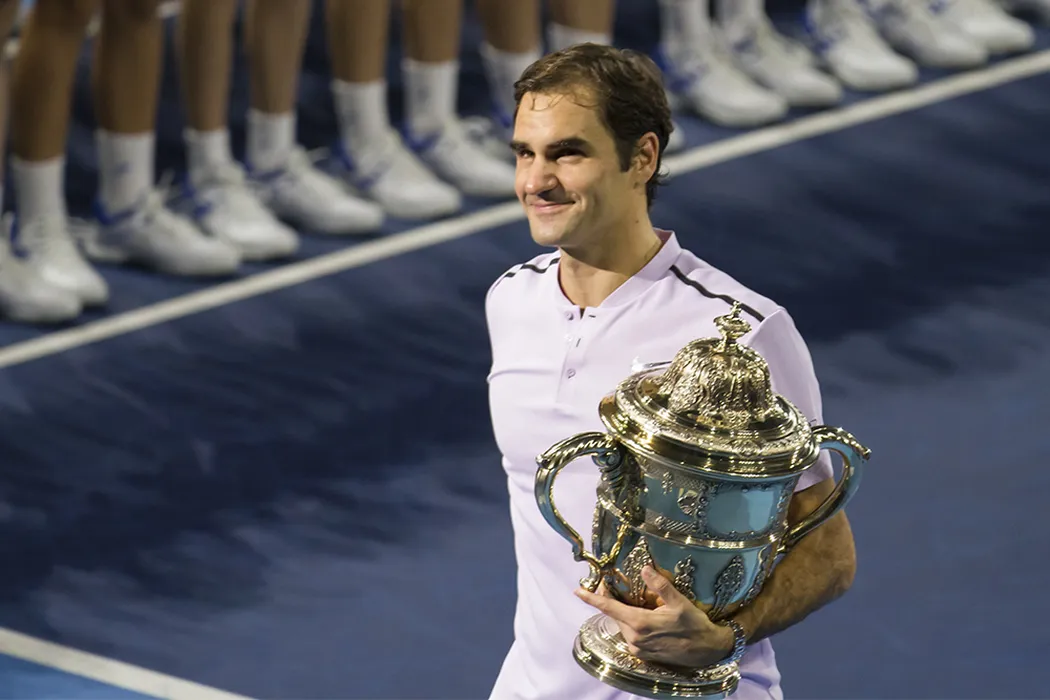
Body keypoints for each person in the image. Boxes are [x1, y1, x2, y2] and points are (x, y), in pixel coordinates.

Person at [484, 43, 857, 699]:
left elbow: (828, 552)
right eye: (524, 153)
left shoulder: (740, 331)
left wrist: (724, 636)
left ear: (643, 158)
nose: (535, 181)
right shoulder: (510, 300)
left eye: (567, 153)